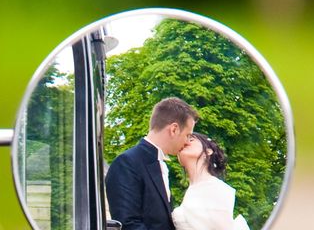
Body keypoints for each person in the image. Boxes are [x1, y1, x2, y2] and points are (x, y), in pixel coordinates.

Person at [105, 97, 199, 230]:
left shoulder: (161, 165)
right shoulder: (126, 163)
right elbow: (128, 224)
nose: (188, 142)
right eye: (188, 135)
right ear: (174, 129)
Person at [172, 133, 250, 230]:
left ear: (208, 152)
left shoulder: (216, 188)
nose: (185, 142)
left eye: (191, 140)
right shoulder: (190, 191)